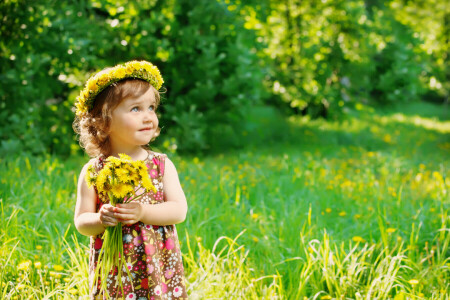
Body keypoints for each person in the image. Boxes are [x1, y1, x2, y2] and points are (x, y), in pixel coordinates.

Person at [73, 60, 188, 299]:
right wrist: (101, 218)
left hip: (158, 267)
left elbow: (179, 210)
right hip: (115, 268)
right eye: (136, 109)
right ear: (104, 120)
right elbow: (82, 221)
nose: (148, 117)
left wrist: (142, 212)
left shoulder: (161, 165)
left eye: (151, 108)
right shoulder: (93, 171)